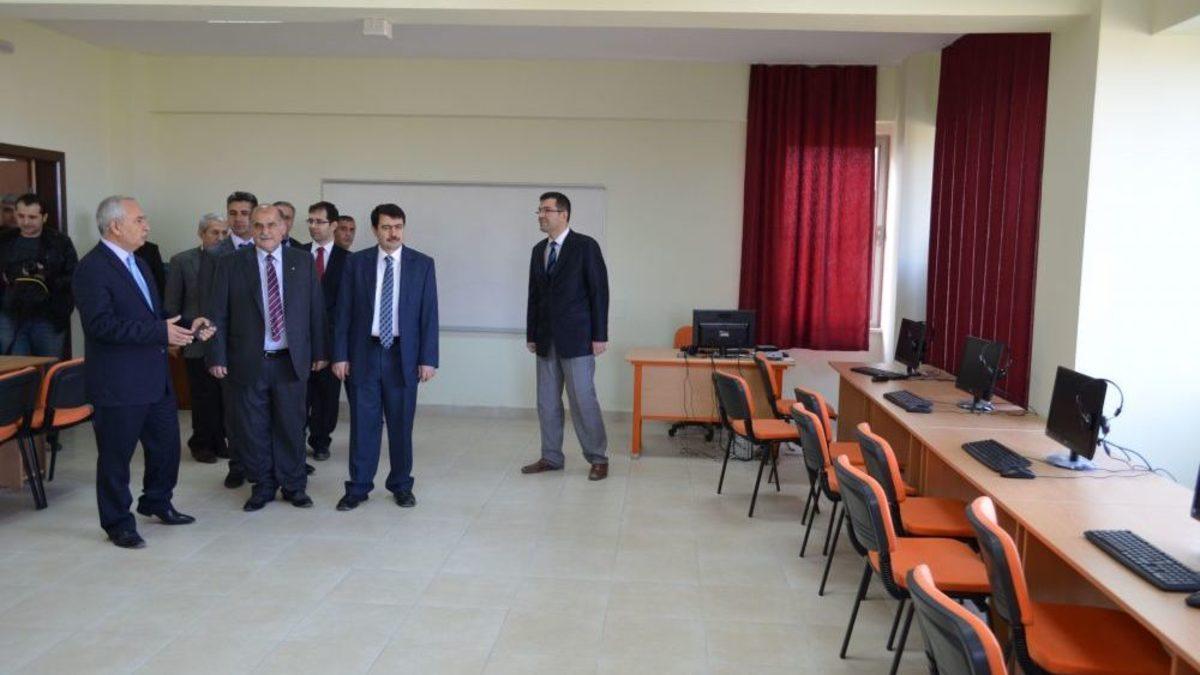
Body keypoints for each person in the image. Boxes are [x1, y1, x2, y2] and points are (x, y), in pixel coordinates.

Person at [73, 195, 214, 549]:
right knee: (116, 457)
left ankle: (157, 501)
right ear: (115, 226)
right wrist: (160, 332)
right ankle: (118, 523)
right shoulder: (92, 268)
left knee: (166, 447)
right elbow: (100, 326)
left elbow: (154, 315)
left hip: (155, 377)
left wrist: (188, 324)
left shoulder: (139, 262)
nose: (146, 226)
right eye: (139, 220)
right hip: (119, 382)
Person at [207, 204, 327, 511]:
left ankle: (294, 485)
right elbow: (217, 313)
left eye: (272, 225)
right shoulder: (231, 263)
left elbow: (315, 310)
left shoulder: (302, 261)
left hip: (290, 360)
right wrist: (217, 356)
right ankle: (262, 486)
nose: (265, 231)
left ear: (284, 228)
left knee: (291, 426)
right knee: (253, 428)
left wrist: (320, 351)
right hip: (248, 361)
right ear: (250, 228)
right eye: (258, 225)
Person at [332, 203, 438, 511]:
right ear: (375, 229)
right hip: (364, 352)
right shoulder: (357, 263)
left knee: (401, 425)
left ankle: (401, 485)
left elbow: (429, 314)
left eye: (398, 227)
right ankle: (358, 487)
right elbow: (343, 312)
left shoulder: (422, 264)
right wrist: (340, 355)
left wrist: (428, 358)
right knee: (363, 424)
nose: (393, 233)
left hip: (403, 356)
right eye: (386, 227)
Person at [522, 191, 610, 481]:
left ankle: (598, 457)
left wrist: (600, 335)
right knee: (546, 402)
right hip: (546, 339)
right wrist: (532, 333)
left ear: (564, 214)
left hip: (578, 339)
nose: (541, 215)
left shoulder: (585, 246)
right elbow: (534, 296)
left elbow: (599, 293)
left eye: (546, 210)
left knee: (583, 401)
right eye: (539, 210)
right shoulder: (538, 250)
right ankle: (551, 457)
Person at [199, 191, 258, 488]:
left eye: (245, 213)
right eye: (233, 212)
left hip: (266, 345)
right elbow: (211, 310)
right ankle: (238, 465)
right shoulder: (215, 254)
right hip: (232, 346)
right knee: (234, 412)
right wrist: (216, 353)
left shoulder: (269, 246)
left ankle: (266, 464)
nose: (238, 219)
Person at [165, 213, 229, 463]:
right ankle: (201, 443)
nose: (220, 237)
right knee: (202, 395)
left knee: (223, 396)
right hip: (195, 339)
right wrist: (175, 339)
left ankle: (220, 441)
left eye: (224, 233)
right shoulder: (182, 261)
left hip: (225, 340)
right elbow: (172, 304)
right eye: (214, 232)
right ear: (201, 234)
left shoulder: (232, 259)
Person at [0, 193, 77, 358]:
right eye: (21, 216)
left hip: (49, 317)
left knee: (50, 367)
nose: (25, 222)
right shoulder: (4, 241)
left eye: (32, 217)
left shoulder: (60, 243)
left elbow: (74, 278)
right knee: (16, 369)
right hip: (10, 316)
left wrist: (45, 277)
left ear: (44, 217)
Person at [301, 201, 347, 461]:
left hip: (331, 340)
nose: (313, 226)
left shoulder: (349, 260)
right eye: (310, 221)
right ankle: (294, 440)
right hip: (298, 340)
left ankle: (321, 441)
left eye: (319, 221)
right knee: (297, 394)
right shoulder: (295, 254)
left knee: (327, 396)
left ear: (333, 225)